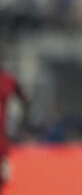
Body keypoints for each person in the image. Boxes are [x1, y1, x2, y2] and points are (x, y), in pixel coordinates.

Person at [0, 52, 29, 192]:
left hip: (3, 136)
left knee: (4, 178)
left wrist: (17, 122)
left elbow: (25, 97)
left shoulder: (7, 79)